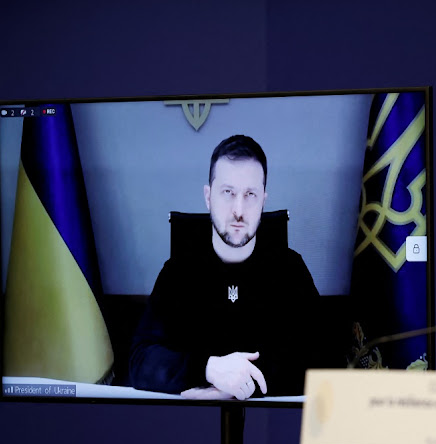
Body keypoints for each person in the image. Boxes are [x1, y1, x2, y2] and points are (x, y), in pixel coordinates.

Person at [129, 135, 318, 400]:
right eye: (228, 192)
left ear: (263, 200)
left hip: (269, 427)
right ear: (208, 197)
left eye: (250, 194)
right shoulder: (178, 271)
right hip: (191, 426)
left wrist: (232, 390)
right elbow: (140, 362)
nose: (238, 210)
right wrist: (208, 369)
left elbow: (321, 361)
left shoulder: (291, 269)